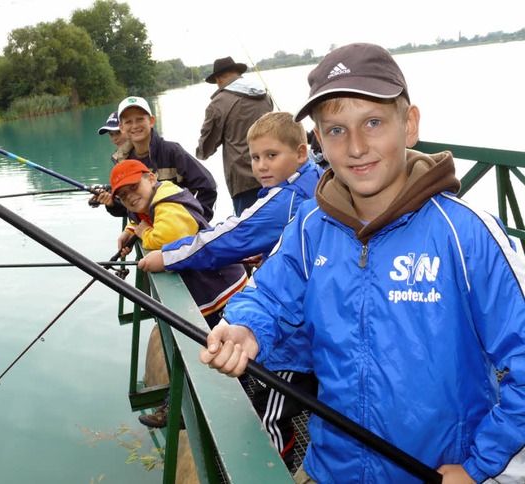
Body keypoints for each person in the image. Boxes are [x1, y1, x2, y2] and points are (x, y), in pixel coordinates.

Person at [199, 42, 525, 484]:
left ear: (409, 125)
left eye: (373, 123)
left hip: (438, 473)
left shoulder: (467, 234)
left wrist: (478, 466)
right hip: (330, 467)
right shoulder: (309, 228)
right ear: (316, 140)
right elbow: (269, 296)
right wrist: (245, 326)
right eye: (335, 130)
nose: (355, 147)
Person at [137, 111, 324, 463]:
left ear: (301, 153)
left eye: (272, 155)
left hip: (298, 342)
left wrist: (168, 256)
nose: (261, 166)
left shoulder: (284, 200)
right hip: (315, 329)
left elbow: (231, 236)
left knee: (266, 415)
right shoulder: (314, 180)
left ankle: (274, 466)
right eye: (254, 157)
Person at [110, 159, 248, 428]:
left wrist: (142, 232)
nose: (130, 197)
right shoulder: (153, 198)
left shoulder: (170, 201)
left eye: (133, 187)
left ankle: (231, 407)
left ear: (151, 178)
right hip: (206, 287)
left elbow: (167, 236)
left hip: (219, 287)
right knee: (210, 346)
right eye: (123, 196)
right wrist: (130, 231)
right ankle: (190, 404)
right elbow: (139, 216)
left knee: (221, 346)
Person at [117, 96, 218, 222]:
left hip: (179, 232)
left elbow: (207, 185)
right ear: (121, 127)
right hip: (148, 235)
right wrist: (112, 206)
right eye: (128, 122)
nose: (135, 126)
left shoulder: (172, 151)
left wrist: (196, 221)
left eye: (140, 119)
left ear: (151, 121)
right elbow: (126, 206)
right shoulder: (123, 161)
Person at [197, 56, 274, 216]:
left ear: (218, 79)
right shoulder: (264, 94)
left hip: (243, 183)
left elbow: (205, 150)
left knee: (247, 232)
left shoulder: (218, 103)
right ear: (238, 73)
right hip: (275, 173)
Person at [89, 110, 131, 217]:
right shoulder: (120, 159)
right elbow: (127, 210)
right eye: (111, 134)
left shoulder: (144, 155)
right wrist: (110, 202)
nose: (114, 138)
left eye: (118, 132)